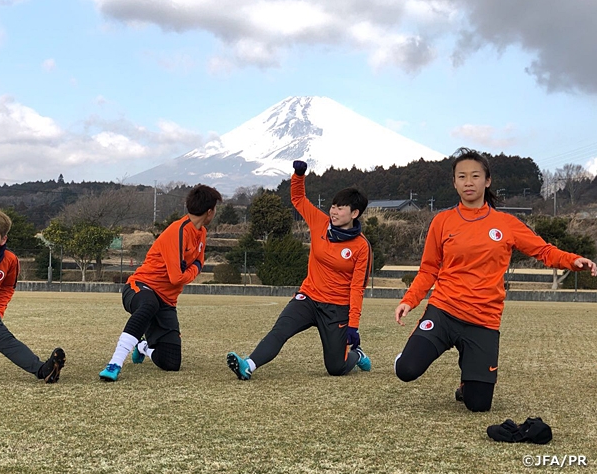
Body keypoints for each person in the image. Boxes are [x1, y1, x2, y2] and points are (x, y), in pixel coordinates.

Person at [393, 147, 597, 412]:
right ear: (454, 182)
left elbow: (543, 251)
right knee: (407, 370)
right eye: (462, 176)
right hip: (444, 311)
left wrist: (573, 260)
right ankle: (410, 354)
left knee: (478, 405)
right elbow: (429, 269)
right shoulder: (442, 221)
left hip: (483, 319)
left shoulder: (505, 223)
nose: (469, 182)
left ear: (487, 180)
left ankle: (468, 380)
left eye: (475, 176)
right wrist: (410, 300)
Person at [227, 160, 373, 380]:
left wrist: (353, 325)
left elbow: (357, 288)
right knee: (281, 330)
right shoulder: (320, 223)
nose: (333, 211)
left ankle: (356, 355)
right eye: (333, 206)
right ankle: (247, 365)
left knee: (335, 367)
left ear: (354, 213)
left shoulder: (361, 246)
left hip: (337, 309)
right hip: (309, 297)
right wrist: (299, 175)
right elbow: (298, 199)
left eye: (340, 208)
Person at [99, 184, 222, 381]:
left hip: (166, 300)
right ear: (209, 211)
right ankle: (114, 363)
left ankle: (142, 346)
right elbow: (178, 277)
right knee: (149, 304)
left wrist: (192, 268)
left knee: (172, 363)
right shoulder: (177, 231)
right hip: (140, 287)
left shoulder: (201, 233)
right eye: (215, 208)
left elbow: (200, 261)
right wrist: (194, 270)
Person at [0, 209, 65, 383]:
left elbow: (7, 288)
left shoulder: (10, 260)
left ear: (3, 240)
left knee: (7, 341)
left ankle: (44, 370)